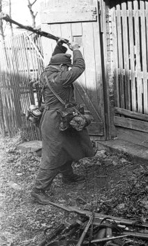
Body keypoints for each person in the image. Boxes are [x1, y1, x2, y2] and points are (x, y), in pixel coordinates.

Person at [31, 39, 95, 204]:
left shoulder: (46, 73)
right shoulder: (60, 78)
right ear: (61, 68)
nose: (67, 69)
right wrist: (75, 49)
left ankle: (68, 176)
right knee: (52, 155)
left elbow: (55, 58)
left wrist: (59, 46)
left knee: (69, 146)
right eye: (66, 67)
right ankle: (38, 191)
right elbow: (80, 67)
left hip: (56, 117)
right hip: (54, 121)